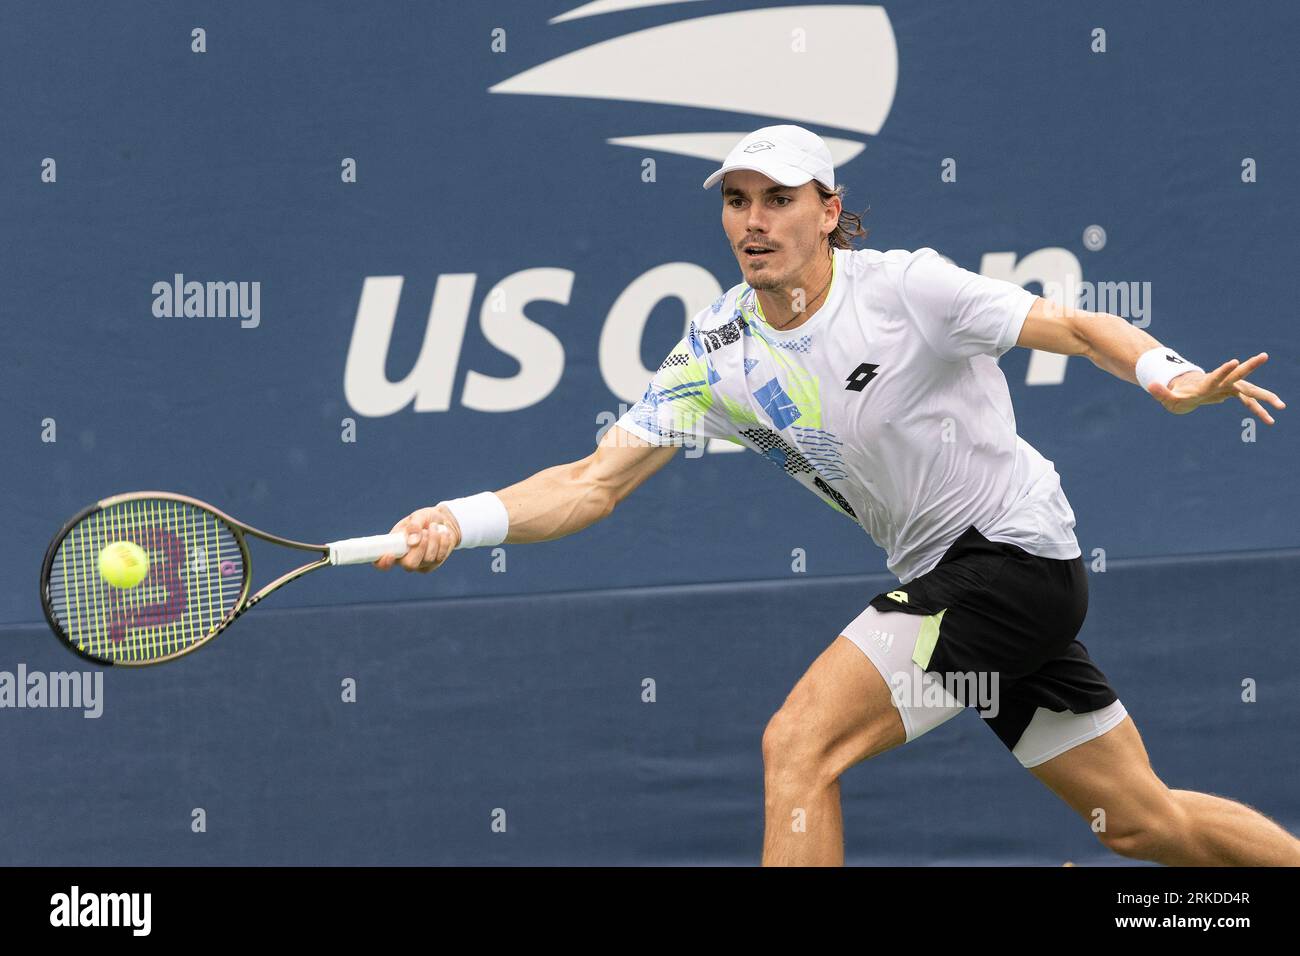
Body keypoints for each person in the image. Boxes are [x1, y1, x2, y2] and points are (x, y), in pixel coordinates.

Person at [376, 125, 1294, 866]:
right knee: (1142, 825)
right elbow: (589, 484)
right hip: (973, 591)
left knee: (799, 746)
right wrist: (461, 520)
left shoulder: (905, 289)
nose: (755, 221)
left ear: (829, 212)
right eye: (739, 202)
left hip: (1009, 560)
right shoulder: (717, 349)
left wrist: (1169, 379)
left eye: (779, 200)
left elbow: (1077, 326)